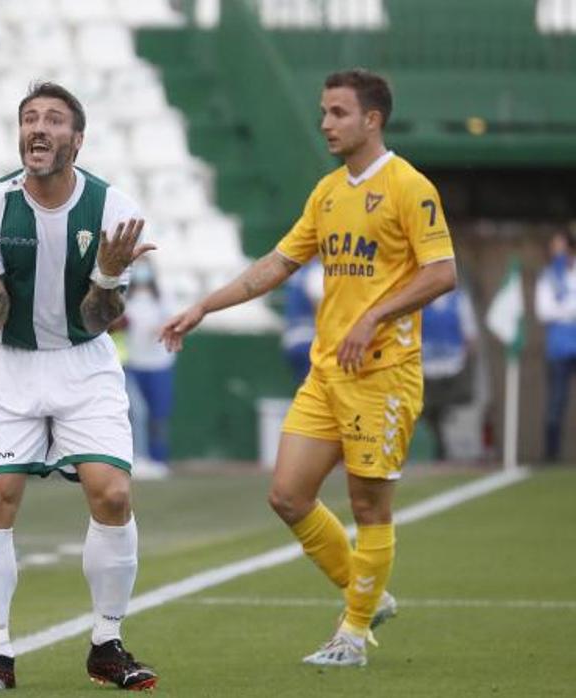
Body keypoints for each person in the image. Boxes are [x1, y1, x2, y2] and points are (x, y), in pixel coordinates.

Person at [162, 69, 457, 667]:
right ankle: (367, 594)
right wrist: (203, 305)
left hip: (384, 373)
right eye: (324, 111)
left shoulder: (409, 187)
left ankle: (352, 634)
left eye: (338, 113)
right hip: (328, 372)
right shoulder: (327, 193)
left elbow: (441, 271)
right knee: (287, 495)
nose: (326, 123)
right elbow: (274, 265)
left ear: (371, 120)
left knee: (370, 507)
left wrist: (374, 317)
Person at [0, 82, 159, 691]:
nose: (39, 128)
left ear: (77, 140)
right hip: (7, 363)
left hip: (82, 362)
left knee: (112, 494)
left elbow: (97, 318)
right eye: (29, 119)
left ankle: (107, 643)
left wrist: (111, 274)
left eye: (54, 120)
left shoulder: (112, 208)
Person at [122, 262, 175, 477]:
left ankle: (158, 459)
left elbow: (172, 321)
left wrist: (161, 328)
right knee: (136, 412)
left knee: (158, 416)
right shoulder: (126, 297)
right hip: (133, 362)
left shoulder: (162, 297)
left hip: (160, 364)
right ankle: (136, 457)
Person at [420, 285, 479, 461]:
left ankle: (450, 449)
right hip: (426, 367)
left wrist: (469, 363)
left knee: (449, 410)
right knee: (427, 411)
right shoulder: (421, 298)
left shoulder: (460, 299)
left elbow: (470, 334)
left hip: (454, 366)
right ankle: (438, 448)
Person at [536, 230, 576, 462]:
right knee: (556, 402)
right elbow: (544, 311)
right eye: (555, 248)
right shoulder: (548, 276)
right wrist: (570, 310)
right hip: (559, 348)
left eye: (562, 247)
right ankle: (552, 454)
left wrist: (565, 310)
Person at [281, 260, 324, 385]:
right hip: (310, 342)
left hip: (292, 339)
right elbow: (321, 308)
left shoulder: (298, 272)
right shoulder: (317, 271)